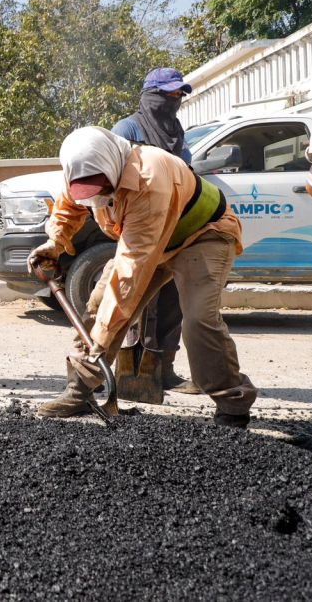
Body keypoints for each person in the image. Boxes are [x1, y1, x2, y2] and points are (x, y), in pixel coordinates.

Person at [28, 126, 257, 428]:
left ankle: (232, 403)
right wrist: (54, 243)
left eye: (103, 191)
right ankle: (80, 390)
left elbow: (129, 275)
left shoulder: (150, 177)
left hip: (202, 235)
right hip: (148, 240)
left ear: (111, 168)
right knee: (98, 307)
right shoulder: (83, 171)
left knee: (199, 319)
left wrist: (101, 339)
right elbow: (69, 208)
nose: (97, 199)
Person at [110, 67, 201, 395]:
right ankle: (132, 367)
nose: (175, 101)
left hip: (175, 225)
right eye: (168, 95)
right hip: (139, 226)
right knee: (138, 297)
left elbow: (187, 171)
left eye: (179, 95)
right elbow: (114, 178)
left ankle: (164, 368)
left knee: (171, 298)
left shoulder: (176, 131)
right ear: (151, 96)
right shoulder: (128, 128)